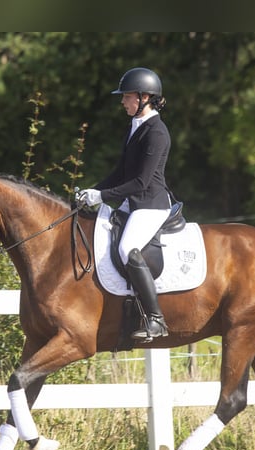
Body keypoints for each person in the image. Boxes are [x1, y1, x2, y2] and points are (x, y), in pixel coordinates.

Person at [77, 67, 173, 341]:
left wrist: (103, 196)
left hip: (151, 204)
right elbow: (120, 172)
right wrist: (93, 191)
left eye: (126, 97)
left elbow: (141, 182)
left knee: (127, 247)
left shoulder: (157, 132)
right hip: (134, 203)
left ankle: (156, 319)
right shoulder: (136, 126)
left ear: (144, 97)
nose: (122, 102)